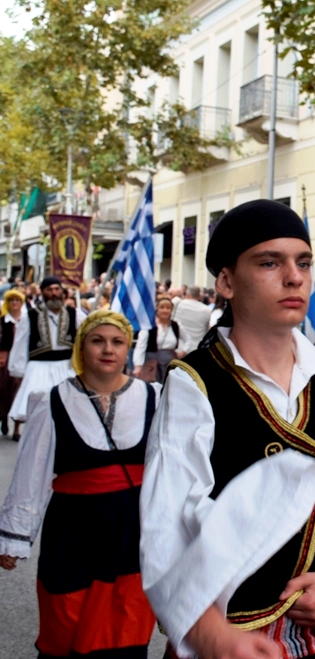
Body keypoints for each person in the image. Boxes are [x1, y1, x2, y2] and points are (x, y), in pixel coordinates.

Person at [139, 199, 315, 659]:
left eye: (302, 262)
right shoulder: (193, 384)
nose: (294, 276)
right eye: (268, 262)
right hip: (227, 641)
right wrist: (213, 638)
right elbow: (164, 533)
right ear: (225, 281)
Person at [0, 311, 159, 657]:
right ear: (81, 347)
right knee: (67, 624)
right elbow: (32, 473)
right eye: (97, 340)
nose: (108, 349)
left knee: (124, 628)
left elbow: (171, 472)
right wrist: (15, 535)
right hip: (73, 531)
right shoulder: (52, 400)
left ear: (128, 348)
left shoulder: (154, 399)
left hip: (132, 533)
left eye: (117, 342)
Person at [9, 277, 82, 427]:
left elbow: (85, 340)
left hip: (66, 367)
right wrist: (18, 370)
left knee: (70, 409)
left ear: (62, 291)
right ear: (42, 293)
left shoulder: (75, 314)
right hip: (38, 368)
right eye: (49, 290)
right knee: (39, 410)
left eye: (57, 289)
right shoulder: (30, 316)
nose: (54, 293)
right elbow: (20, 344)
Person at [133, 297, 184, 383]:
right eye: (162, 307)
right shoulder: (149, 326)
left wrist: (183, 351)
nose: (165, 310)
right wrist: (138, 365)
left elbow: (188, 339)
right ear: (157, 309)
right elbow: (141, 346)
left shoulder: (175, 325)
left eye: (168, 308)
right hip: (151, 362)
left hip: (169, 361)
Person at [0, 289, 29, 439]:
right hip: (5, 358)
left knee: (18, 392)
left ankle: (17, 428)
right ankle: (3, 418)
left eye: (17, 300)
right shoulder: (2, 320)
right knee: (3, 390)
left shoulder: (26, 319)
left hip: (22, 358)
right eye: (12, 300)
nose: (15, 303)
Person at [170, 286, 211, 353]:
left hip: (179, 347)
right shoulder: (207, 310)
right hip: (197, 348)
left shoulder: (178, 303)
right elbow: (206, 329)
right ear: (200, 296)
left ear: (188, 294)